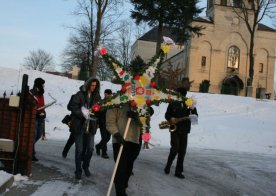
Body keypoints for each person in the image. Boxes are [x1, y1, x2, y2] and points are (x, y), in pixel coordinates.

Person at [67, 77, 101, 180]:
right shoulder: (79, 94)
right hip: (79, 125)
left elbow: (99, 110)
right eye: (92, 85)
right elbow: (72, 106)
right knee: (79, 149)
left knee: (90, 149)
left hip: (91, 126)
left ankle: (85, 166)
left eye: (95, 86)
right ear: (87, 84)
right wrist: (83, 114)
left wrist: (97, 113)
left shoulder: (97, 96)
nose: (93, 87)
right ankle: (78, 170)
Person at [106, 104, 141, 196]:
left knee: (129, 168)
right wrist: (116, 134)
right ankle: (120, 192)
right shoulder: (115, 103)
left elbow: (146, 120)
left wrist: (137, 117)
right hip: (120, 140)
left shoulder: (141, 103)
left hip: (134, 140)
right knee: (121, 168)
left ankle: (122, 185)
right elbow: (110, 122)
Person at [164, 87, 198, 179]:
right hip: (175, 129)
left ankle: (178, 171)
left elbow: (195, 116)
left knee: (182, 152)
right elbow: (167, 114)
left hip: (185, 130)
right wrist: (170, 118)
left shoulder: (189, 103)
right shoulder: (173, 103)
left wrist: (192, 109)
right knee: (175, 149)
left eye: (178, 93)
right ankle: (168, 165)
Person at [30, 77, 46, 162]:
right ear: (39, 85)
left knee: (39, 134)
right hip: (35, 117)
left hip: (41, 117)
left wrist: (44, 113)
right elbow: (32, 106)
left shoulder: (41, 94)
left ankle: (29, 147)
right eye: (42, 84)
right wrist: (37, 113)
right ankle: (31, 152)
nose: (43, 86)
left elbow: (42, 105)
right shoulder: (32, 93)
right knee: (33, 135)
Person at [95, 89, 112, 159]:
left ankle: (98, 146)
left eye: (109, 94)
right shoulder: (101, 102)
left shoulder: (113, 103)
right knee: (104, 138)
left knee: (108, 138)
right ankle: (104, 153)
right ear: (105, 94)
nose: (108, 95)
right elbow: (97, 112)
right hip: (102, 123)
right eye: (107, 94)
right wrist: (98, 123)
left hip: (110, 123)